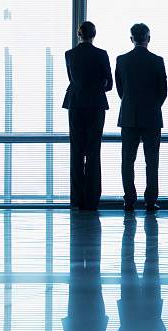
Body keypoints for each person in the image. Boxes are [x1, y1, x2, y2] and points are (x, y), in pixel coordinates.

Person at [115, 23, 167, 212]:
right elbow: (163, 91)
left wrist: (130, 104)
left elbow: (121, 90)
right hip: (152, 116)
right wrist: (153, 106)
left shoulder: (121, 60)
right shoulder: (157, 60)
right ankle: (150, 200)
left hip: (129, 116)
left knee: (127, 161)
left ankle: (129, 200)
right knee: (152, 161)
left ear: (131, 39)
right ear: (148, 38)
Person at [63, 21, 113, 211]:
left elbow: (71, 78)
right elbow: (109, 83)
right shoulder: (101, 54)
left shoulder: (70, 54)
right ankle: (91, 199)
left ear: (79, 34)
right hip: (96, 104)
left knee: (76, 151)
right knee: (93, 151)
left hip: (75, 103)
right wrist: (98, 88)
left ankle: (76, 199)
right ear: (94, 34)